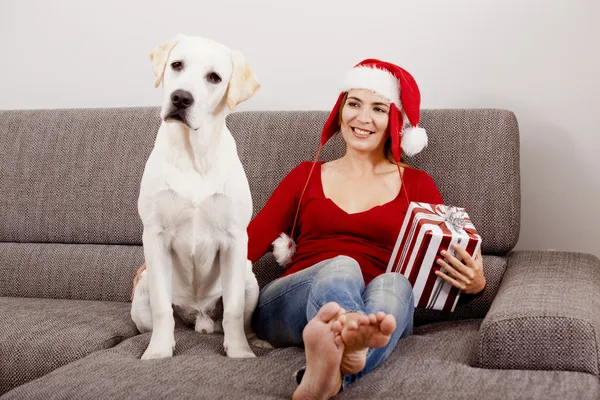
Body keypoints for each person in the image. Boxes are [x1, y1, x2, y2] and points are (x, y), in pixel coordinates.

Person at [132, 59, 486, 399]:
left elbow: (444, 258)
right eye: (354, 104)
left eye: (378, 108)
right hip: (291, 301)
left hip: (379, 301)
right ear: (340, 111)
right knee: (342, 266)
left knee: (396, 284)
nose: (363, 118)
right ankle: (348, 341)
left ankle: (330, 373)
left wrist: (476, 284)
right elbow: (242, 241)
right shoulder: (307, 174)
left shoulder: (418, 185)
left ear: (396, 120)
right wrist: (167, 268)